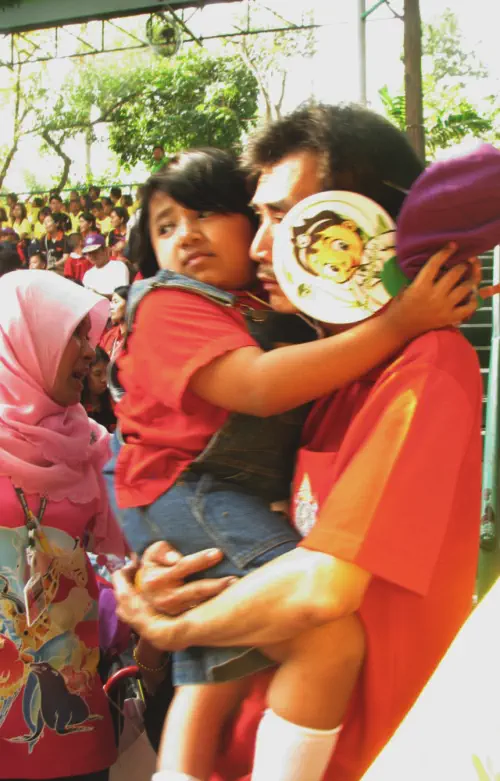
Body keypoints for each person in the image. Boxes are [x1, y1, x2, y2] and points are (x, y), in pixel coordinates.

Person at [112, 105, 482, 781]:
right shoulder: (324, 371)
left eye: (284, 217)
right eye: (258, 217)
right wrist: (168, 580)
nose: (259, 246)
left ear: (363, 224)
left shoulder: (425, 368)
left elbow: (320, 588)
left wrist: (175, 626)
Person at [0, 270, 127, 781]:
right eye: (73, 334)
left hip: (73, 721)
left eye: (88, 335)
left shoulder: (93, 445)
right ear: (26, 339)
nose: (90, 351)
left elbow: (127, 557)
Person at [81, 233, 129, 298]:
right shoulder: (88, 274)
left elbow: (122, 296)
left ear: (105, 250)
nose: (92, 256)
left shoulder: (119, 267)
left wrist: (98, 295)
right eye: (89, 253)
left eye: (94, 252)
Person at [82, 346, 116, 432]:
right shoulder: (75, 407)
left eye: (107, 373)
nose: (104, 379)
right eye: (97, 374)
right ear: (84, 374)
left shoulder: (113, 403)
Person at [99, 285, 130, 361]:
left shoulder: (138, 336)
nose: (111, 307)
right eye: (111, 302)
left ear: (130, 305)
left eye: (116, 302)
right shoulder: (109, 336)